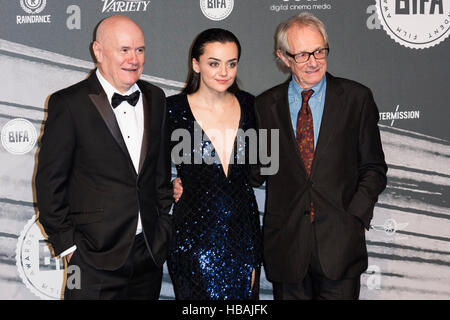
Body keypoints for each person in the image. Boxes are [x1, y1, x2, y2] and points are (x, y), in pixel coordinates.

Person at [35, 15, 172, 300]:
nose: (133, 59)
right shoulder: (68, 103)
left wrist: (162, 226)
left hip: (147, 254)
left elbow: (158, 173)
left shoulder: (156, 98)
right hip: (90, 260)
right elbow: (50, 184)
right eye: (124, 50)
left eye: (140, 50)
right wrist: (70, 249)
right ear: (98, 51)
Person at [252, 12, 388, 299]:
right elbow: (255, 171)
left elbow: (374, 168)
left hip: (340, 248)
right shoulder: (265, 106)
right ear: (283, 57)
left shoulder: (356, 98)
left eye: (319, 51)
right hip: (286, 249)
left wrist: (355, 218)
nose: (313, 61)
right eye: (302, 54)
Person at [166, 28, 262, 300]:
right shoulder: (172, 110)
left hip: (243, 238)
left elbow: (261, 170)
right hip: (192, 240)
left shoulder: (251, 106)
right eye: (214, 63)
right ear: (196, 64)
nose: (224, 72)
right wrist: (168, 185)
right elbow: (147, 168)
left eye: (231, 64)